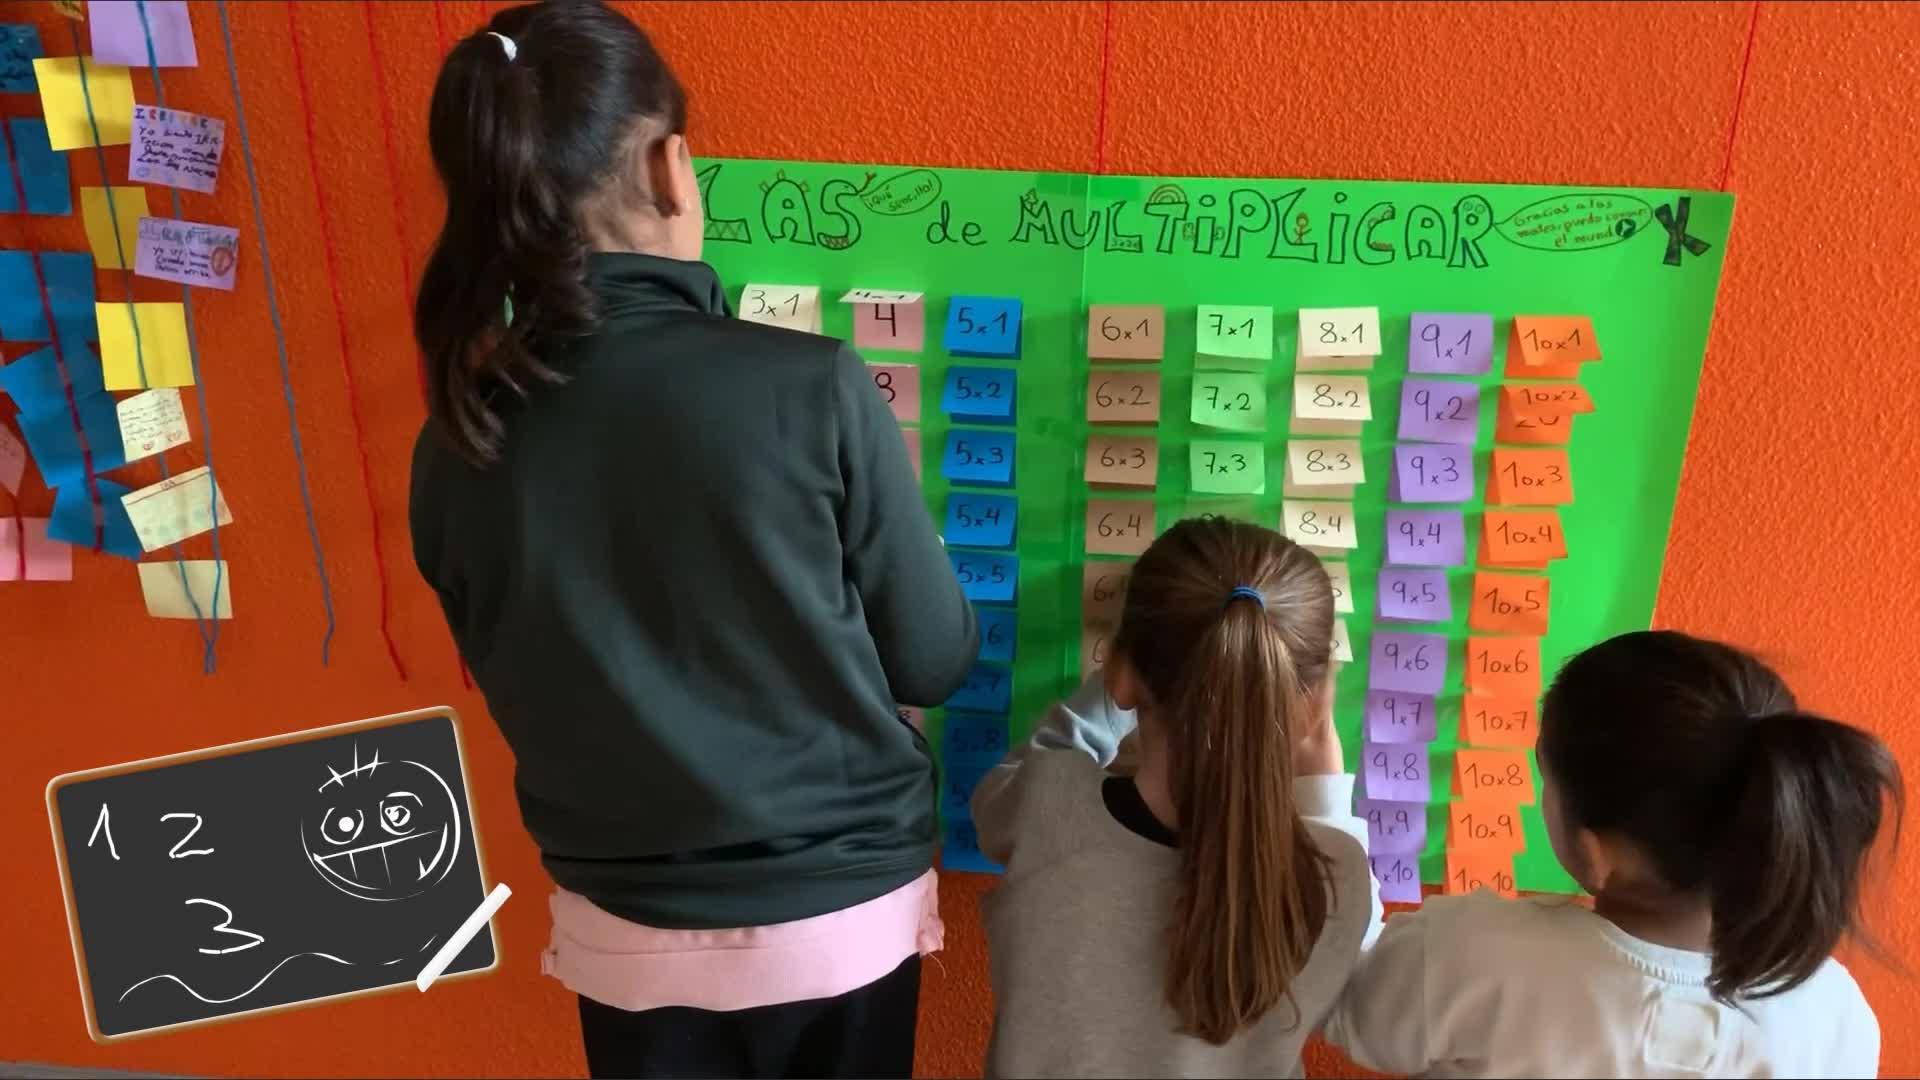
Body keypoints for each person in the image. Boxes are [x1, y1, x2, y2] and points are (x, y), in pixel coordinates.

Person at [407, 4, 977, 1077]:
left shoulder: (457, 440)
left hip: (623, 929)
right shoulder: (811, 385)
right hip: (839, 917)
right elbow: (933, 660)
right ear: (670, 167)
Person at [1324, 630, 1901, 1077]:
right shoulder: (1835, 1014)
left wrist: (1321, 795)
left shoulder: (1473, 953)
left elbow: (1342, 998)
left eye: (1545, 778)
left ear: (1596, 852)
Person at [972, 516, 1382, 1078]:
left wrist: (1115, 686)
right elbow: (1365, 950)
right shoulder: (1336, 875)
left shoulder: (1046, 805)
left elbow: (1005, 789)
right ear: (1314, 704)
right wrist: (1322, 781)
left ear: (1122, 671)